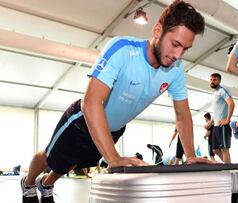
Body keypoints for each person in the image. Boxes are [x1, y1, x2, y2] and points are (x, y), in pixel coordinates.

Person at [21, 2, 213, 202]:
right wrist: (112, 157)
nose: (178, 55)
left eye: (185, 49)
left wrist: (190, 156)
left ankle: (46, 184)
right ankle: (28, 183)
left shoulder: (176, 70)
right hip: (82, 121)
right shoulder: (122, 49)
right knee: (50, 158)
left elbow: (182, 114)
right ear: (157, 30)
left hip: (114, 130)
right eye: (175, 44)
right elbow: (91, 102)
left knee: (72, 163)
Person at [210, 73, 235, 163]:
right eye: (211, 79)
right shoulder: (215, 93)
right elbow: (216, 110)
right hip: (216, 126)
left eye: (215, 80)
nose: (212, 81)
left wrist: (227, 120)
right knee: (215, 150)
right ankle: (228, 165)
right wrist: (211, 121)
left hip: (223, 126)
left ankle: (228, 169)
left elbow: (231, 104)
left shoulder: (222, 91)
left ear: (219, 81)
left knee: (224, 149)